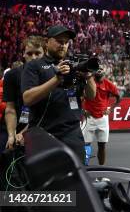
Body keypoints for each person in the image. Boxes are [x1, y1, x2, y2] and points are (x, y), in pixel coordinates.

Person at [21, 25, 96, 162]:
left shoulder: (74, 66)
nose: (63, 45)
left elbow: (91, 96)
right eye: (59, 41)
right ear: (46, 41)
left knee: (75, 181)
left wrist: (88, 76)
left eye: (66, 42)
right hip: (43, 135)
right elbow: (27, 98)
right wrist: (57, 78)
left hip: (72, 135)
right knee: (44, 181)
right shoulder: (35, 65)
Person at [2, 35, 46, 152]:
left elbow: (44, 113)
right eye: (29, 53)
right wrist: (12, 134)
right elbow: (10, 109)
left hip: (39, 128)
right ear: (23, 54)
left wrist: (25, 132)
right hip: (13, 125)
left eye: (38, 53)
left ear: (44, 53)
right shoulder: (11, 75)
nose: (34, 57)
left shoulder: (50, 77)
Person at [82, 70, 121, 165]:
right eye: (98, 77)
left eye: (102, 76)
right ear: (94, 75)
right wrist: (82, 110)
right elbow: (78, 97)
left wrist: (110, 109)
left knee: (102, 145)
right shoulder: (87, 82)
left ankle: (101, 169)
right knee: (86, 144)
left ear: (104, 75)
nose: (101, 79)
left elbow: (118, 97)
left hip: (103, 118)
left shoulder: (108, 84)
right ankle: (85, 168)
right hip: (89, 117)